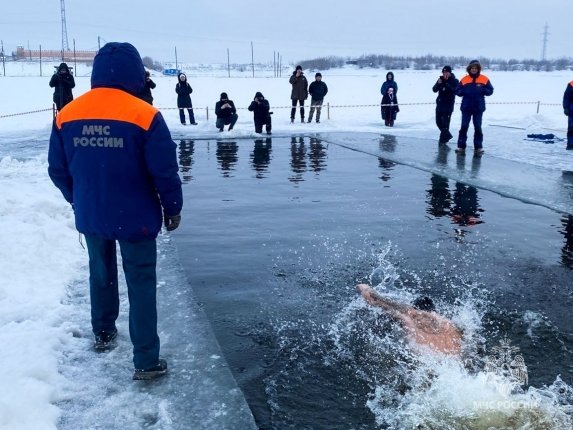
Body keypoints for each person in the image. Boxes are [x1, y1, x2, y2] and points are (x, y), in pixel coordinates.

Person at [48, 42, 183, 381]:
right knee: (141, 284)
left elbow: (57, 169)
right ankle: (146, 361)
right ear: (136, 73)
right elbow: (164, 171)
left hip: (92, 214)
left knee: (100, 273)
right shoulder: (145, 114)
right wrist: (172, 208)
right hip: (136, 217)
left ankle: (104, 332)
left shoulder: (68, 114)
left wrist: (77, 198)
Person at [356, 284, 462, 356]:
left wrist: (376, 300)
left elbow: (401, 314)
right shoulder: (449, 326)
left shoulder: (414, 330)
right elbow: (421, 313)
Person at [455, 60, 494, 156]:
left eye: (475, 68)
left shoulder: (484, 79)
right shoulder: (464, 79)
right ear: (469, 69)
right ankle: (461, 146)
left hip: (478, 107)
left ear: (478, 69)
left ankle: (478, 147)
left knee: (478, 127)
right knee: (464, 127)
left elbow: (490, 90)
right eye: (472, 68)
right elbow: (457, 90)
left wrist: (482, 89)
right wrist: (461, 92)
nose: (473, 70)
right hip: (466, 107)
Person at [432, 65, 459, 144]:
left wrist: (447, 84)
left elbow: (455, 91)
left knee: (445, 125)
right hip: (440, 104)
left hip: (448, 105)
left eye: (446, 72)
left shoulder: (455, 81)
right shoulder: (440, 79)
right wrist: (438, 83)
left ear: (450, 72)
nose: (445, 74)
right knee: (438, 122)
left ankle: (442, 141)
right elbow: (434, 89)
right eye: (443, 72)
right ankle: (448, 135)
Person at [563, 79, 573, 150]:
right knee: (571, 127)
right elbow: (566, 96)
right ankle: (570, 144)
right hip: (572, 109)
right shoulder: (571, 84)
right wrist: (566, 107)